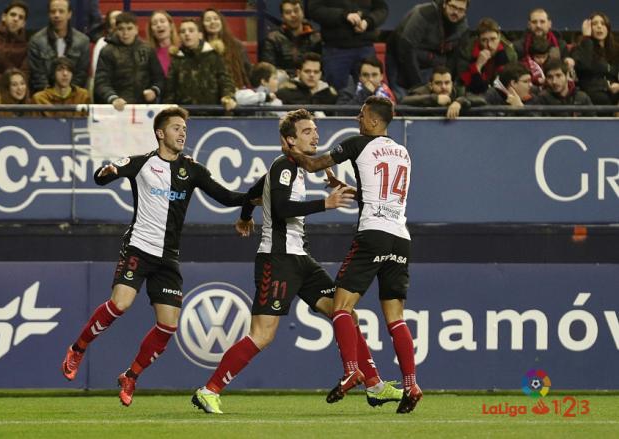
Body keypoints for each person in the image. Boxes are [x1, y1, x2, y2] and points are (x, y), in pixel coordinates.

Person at [192, 109, 403, 414]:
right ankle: (209, 390)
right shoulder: (284, 167)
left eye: (315, 130)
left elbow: (255, 191)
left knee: (344, 313)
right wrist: (325, 204)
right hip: (277, 260)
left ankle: (374, 386)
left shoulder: (292, 169)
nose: (315, 135)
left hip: (300, 260)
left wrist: (244, 217)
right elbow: (279, 207)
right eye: (307, 131)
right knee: (263, 334)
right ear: (289, 140)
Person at [61, 106, 251, 407]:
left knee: (168, 326)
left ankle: (131, 376)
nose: (182, 133)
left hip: (168, 258)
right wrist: (107, 171)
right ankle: (78, 348)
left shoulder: (193, 170)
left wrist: (260, 192)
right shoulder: (142, 164)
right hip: (139, 247)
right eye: (176, 128)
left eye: (184, 129)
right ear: (160, 133)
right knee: (120, 304)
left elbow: (228, 197)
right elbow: (100, 178)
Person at [282, 96, 422, 414]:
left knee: (341, 307)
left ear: (374, 121)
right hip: (400, 237)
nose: (358, 119)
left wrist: (290, 149)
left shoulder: (358, 144)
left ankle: (351, 371)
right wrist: (349, 188)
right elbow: (384, 195)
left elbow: (314, 163)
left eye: (361, 115)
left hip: (372, 235)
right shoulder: (403, 152)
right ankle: (411, 383)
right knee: (396, 318)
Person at [386, 0, 469, 94]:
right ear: (445, 4)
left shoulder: (462, 27)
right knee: (404, 98)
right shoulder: (425, 13)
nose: (456, 12)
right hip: (399, 55)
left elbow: (454, 57)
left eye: (461, 9)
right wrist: (418, 86)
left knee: (427, 100)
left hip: (430, 60)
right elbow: (406, 48)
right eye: (453, 7)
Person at [308, 0, 388, 91]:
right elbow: (315, 10)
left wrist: (368, 22)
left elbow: (382, 9)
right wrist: (344, 15)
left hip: (365, 45)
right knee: (335, 94)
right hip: (335, 48)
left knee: (370, 91)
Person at [163, 19, 237, 113]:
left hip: (213, 115)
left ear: (200, 34)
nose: (187, 34)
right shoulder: (177, 59)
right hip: (185, 116)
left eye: (191, 30)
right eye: (183, 31)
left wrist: (228, 97)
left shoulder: (213, 56)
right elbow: (170, 90)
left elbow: (226, 81)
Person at [94, 12, 164, 110]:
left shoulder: (148, 49)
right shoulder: (107, 51)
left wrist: (154, 90)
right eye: (121, 29)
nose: (125, 33)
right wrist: (113, 98)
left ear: (136, 29)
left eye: (129, 28)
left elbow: (159, 77)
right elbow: (101, 82)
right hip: (116, 108)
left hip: (143, 108)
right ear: (116, 30)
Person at [28, 0, 90, 92]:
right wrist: (52, 95)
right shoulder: (36, 41)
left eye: (61, 11)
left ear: (69, 14)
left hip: (73, 96)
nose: (57, 15)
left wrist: (68, 94)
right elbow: (38, 76)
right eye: (53, 12)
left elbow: (81, 75)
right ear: (49, 14)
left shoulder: (82, 41)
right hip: (45, 97)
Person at [260, 0, 322, 76]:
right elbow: (269, 70)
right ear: (282, 17)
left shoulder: (316, 38)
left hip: (309, 81)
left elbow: (321, 67)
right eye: (288, 12)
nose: (293, 15)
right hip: (282, 83)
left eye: (296, 11)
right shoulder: (273, 39)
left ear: (303, 13)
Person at [457, 17, 517, 94]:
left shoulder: (510, 53)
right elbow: (462, 82)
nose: (489, 45)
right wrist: (477, 66)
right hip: (473, 92)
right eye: (484, 40)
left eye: (493, 39)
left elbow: (512, 81)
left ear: (499, 37)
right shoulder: (467, 52)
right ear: (478, 40)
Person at [401, 65, 485, 119]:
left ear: (451, 84)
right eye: (438, 83)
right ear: (431, 85)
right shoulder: (423, 91)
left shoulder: (458, 91)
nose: (443, 87)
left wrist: (459, 102)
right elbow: (404, 101)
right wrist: (434, 99)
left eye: (447, 83)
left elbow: (482, 100)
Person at [571, 13, 619, 106]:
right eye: (594, 24)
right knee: (601, 98)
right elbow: (584, 67)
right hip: (593, 93)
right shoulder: (581, 48)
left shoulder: (616, 50)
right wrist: (586, 38)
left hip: (615, 93)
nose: (599, 27)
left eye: (603, 23)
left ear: (608, 28)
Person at [200, 8, 251, 90]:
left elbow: (247, 70)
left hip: (235, 88)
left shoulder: (236, 45)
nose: (212, 22)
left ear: (221, 22)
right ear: (202, 24)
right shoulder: (198, 46)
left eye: (216, 19)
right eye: (208, 20)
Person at [146, 10, 179, 78]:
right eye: (155, 23)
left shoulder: (182, 49)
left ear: (171, 26)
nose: (159, 25)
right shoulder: (148, 53)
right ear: (151, 31)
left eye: (162, 21)